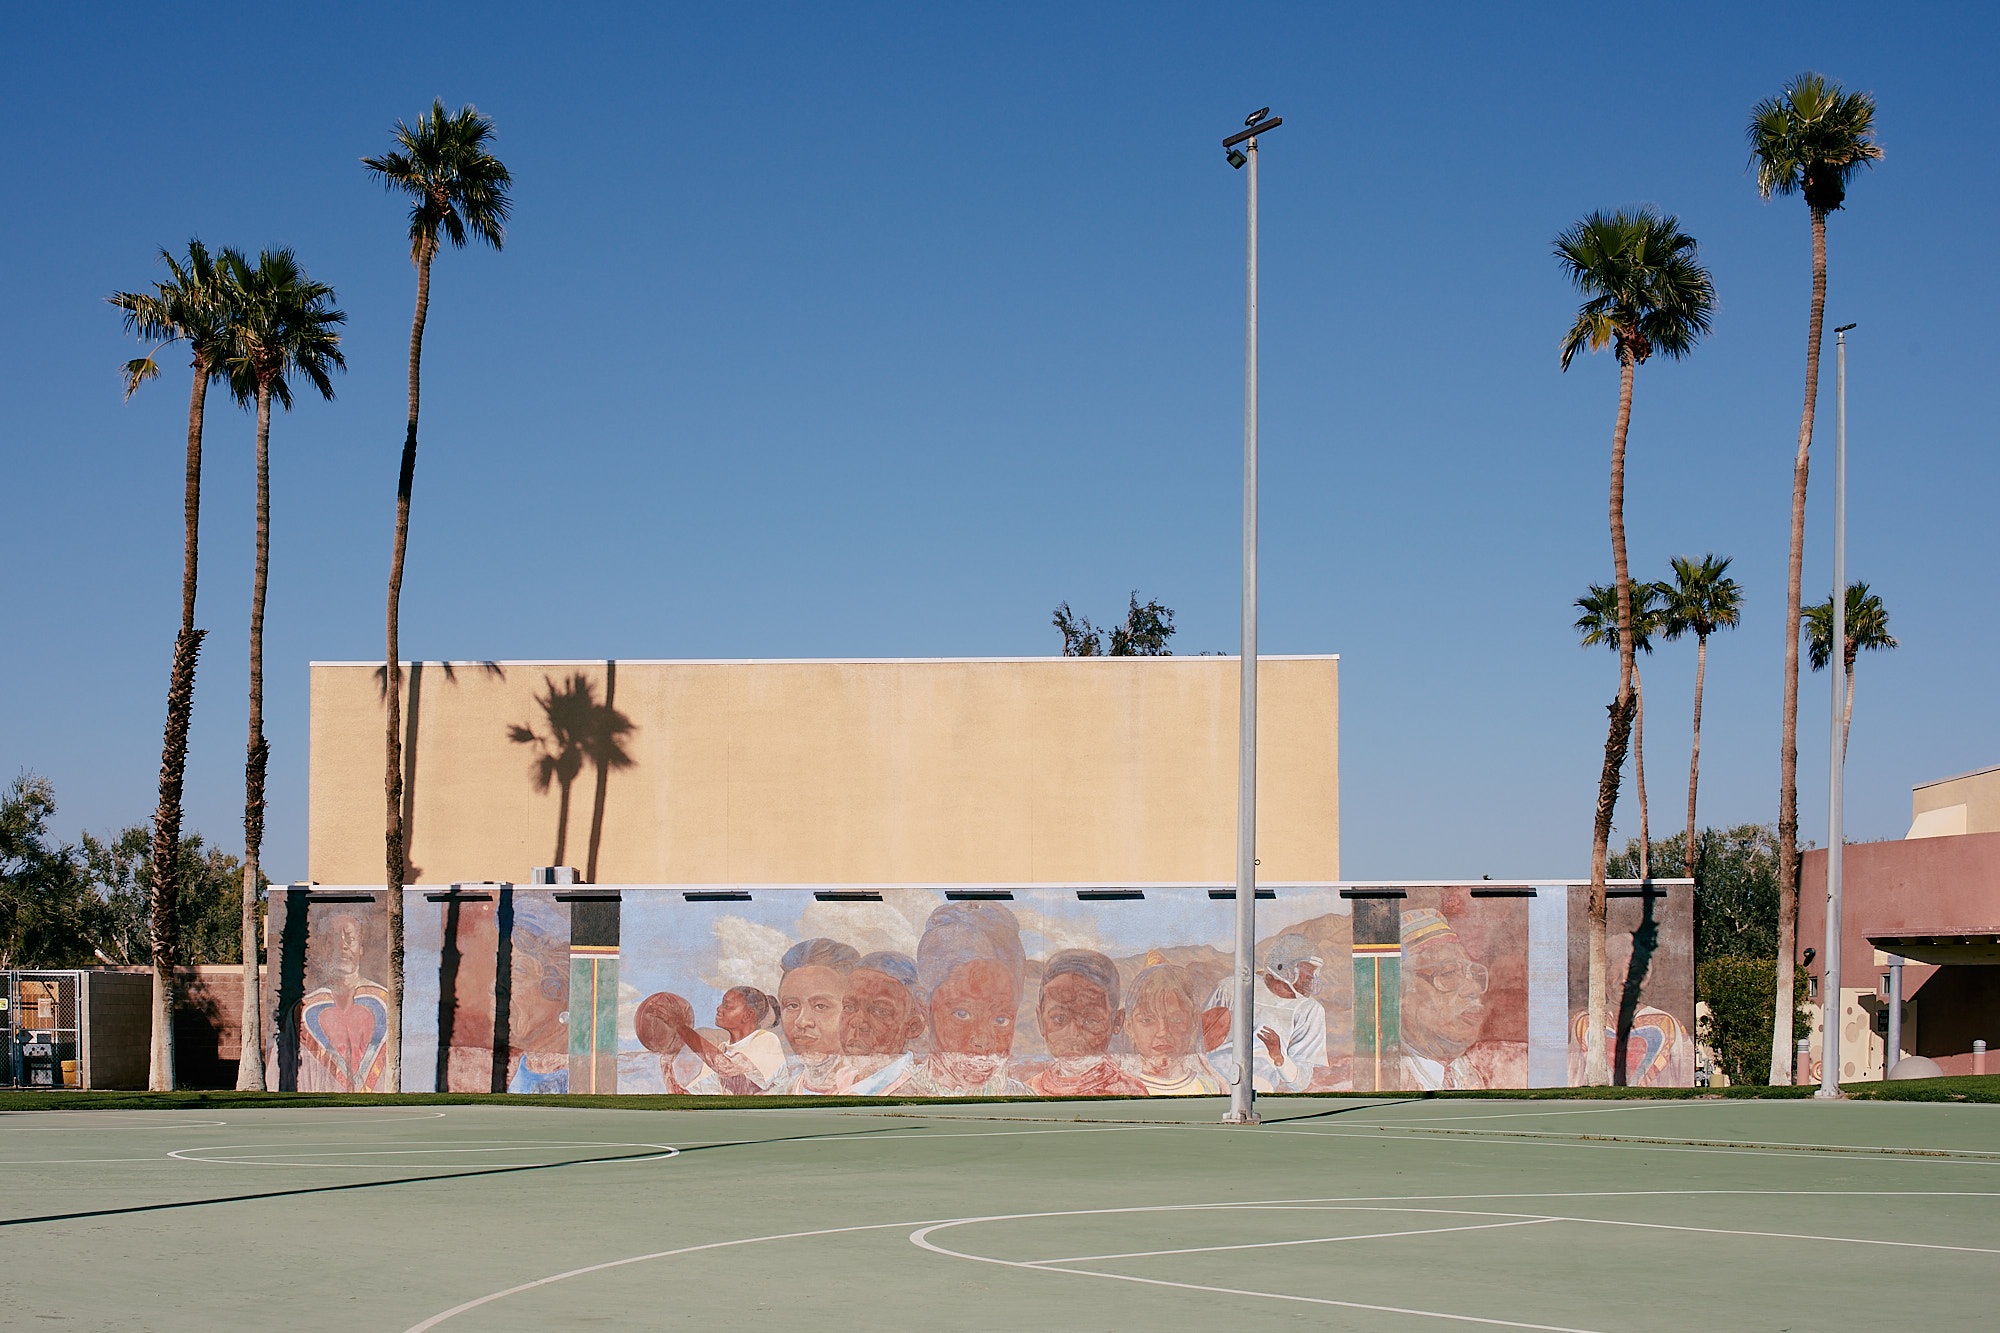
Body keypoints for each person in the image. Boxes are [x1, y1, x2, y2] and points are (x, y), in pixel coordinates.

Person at [889, 901, 1030, 1096]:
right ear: (924, 1006)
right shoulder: (902, 1099)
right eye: (962, 1014)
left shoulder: (1024, 1098)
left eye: (1001, 1020)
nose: (984, 1041)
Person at [1398, 908, 1523, 1090]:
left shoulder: (1498, 1066)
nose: (1474, 988)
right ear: (1399, 992)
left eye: (1473, 974)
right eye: (1449, 973)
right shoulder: (1378, 1077)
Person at [1202, 932, 1326, 1093]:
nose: (1312, 978)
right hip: (1213, 1080)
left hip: (1259, 1087)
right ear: (1283, 966)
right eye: (1307, 970)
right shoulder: (1230, 988)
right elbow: (1198, 1043)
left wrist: (1279, 1057)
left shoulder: (1310, 1011)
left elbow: (1300, 1082)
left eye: (1315, 972)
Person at [285, 911, 392, 1093]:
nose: (343, 946)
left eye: (349, 939)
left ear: (361, 948)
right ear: (325, 948)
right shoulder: (304, 1009)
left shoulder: (385, 1002)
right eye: (334, 939)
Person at [1028, 949, 1147, 1097]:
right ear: (1041, 1021)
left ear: (1117, 1021)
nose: (1073, 1034)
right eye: (1059, 1019)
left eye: (1090, 1020)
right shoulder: (1030, 1090)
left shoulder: (1129, 1091)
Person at [1121, 953, 1226, 1095]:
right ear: (1128, 1026)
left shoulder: (1210, 1087)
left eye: (1176, 1020)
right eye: (1147, 1020)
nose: (1163, 1032)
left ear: (1194, 1022)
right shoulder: (1119, 1087)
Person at [770, 937, 861, 1094]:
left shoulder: (872, 1090)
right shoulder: (780, 1093)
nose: (802, 1021)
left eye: (820, 1006)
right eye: (792, 1006)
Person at [839, 950, 926, 1095]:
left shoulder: (912, 1090)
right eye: (849, 1007)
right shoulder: (842, 1079)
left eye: (879, 1011)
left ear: (912, 1028)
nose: (857, 1022)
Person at [678, 986, 785, 1095]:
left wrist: (681, 1028)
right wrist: (666, 1064)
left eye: (727, 1006)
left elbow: (726, 1068)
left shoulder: (767, 1040)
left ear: (748, 1015)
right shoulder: (722, 1049)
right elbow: (699, 1091)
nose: (719, 1008)